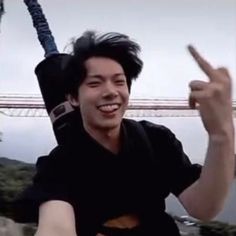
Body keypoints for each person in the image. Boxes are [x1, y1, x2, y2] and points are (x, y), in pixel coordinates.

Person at [17, 31, 234, 236]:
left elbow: (203, 208)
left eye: (119, 81)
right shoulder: (59, 165)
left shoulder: (156, 140)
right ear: (73, 98)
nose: (111, 92)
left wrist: (221, 134)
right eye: (95, 83)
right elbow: (56, 227)